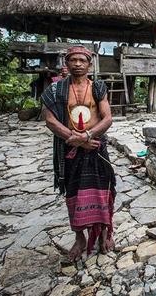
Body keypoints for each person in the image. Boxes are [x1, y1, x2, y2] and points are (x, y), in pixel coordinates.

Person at [41, 46, 116, 260]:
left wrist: (88, 136)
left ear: (89, 64)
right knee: (73, 194)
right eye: (73, 60)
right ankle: (80, 237)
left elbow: (107, 117)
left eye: (82, 60)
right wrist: (75, 139)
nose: (77, 64)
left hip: (95, 148)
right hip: (71, 150)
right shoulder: (56, 90)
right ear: (67, 63)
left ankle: (103, 233)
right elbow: (50, 119)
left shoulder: (98, 87)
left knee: (103, 192)